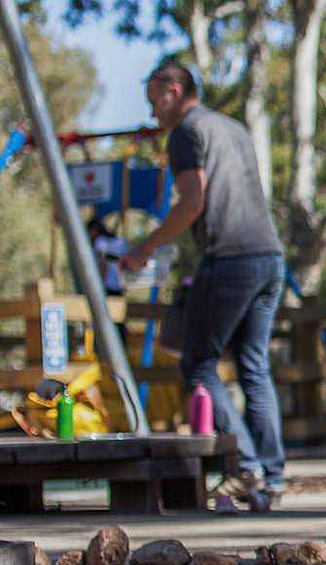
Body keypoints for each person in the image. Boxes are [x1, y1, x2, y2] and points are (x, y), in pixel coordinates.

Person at [122, 61, 287, 511]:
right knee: (253, 366)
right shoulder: (232, 127)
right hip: (271, 257)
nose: (154, 113)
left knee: (197, 363)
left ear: (174, 91)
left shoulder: (185, 133)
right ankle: (271, 476)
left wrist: (143, 250)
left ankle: (246, 467)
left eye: (155, 100)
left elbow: (192, 203)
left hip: (231, 257)